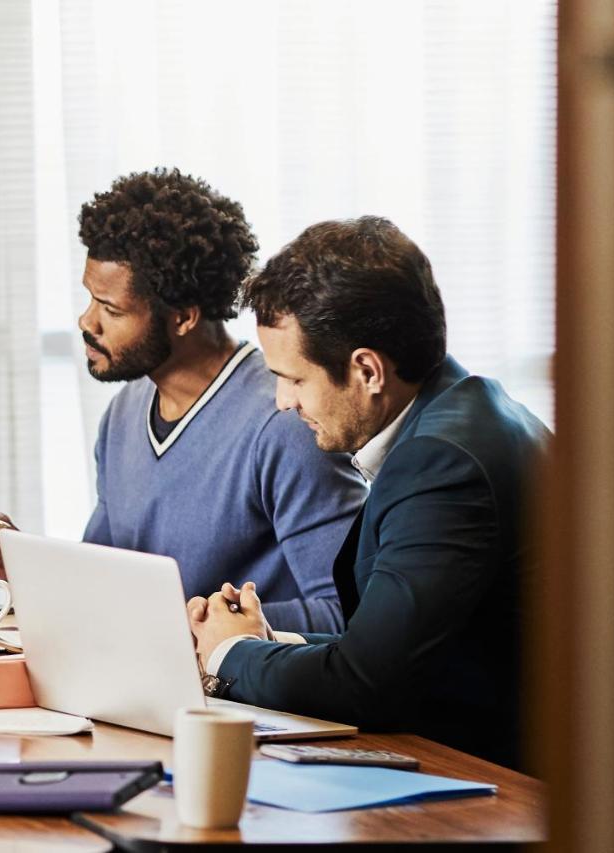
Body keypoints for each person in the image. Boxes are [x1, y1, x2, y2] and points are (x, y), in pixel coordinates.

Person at [189, 216, 549, 768]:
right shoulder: (462, 415)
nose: (283, 402)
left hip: (505, 785)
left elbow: (366, 683)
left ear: (367, 370)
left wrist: (228, 654)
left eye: (294, 379)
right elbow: (389, 649)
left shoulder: (442, 463)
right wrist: (263, 641)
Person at [0, 170, 367, 632]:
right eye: (90, 299)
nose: (86, 321)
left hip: (241, 698)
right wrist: (18, 567)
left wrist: (197, 622)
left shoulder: (290, 424)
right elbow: (103, 586)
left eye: (111, 309)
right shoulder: (123, 417)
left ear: (184, 317)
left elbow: (348, 613)